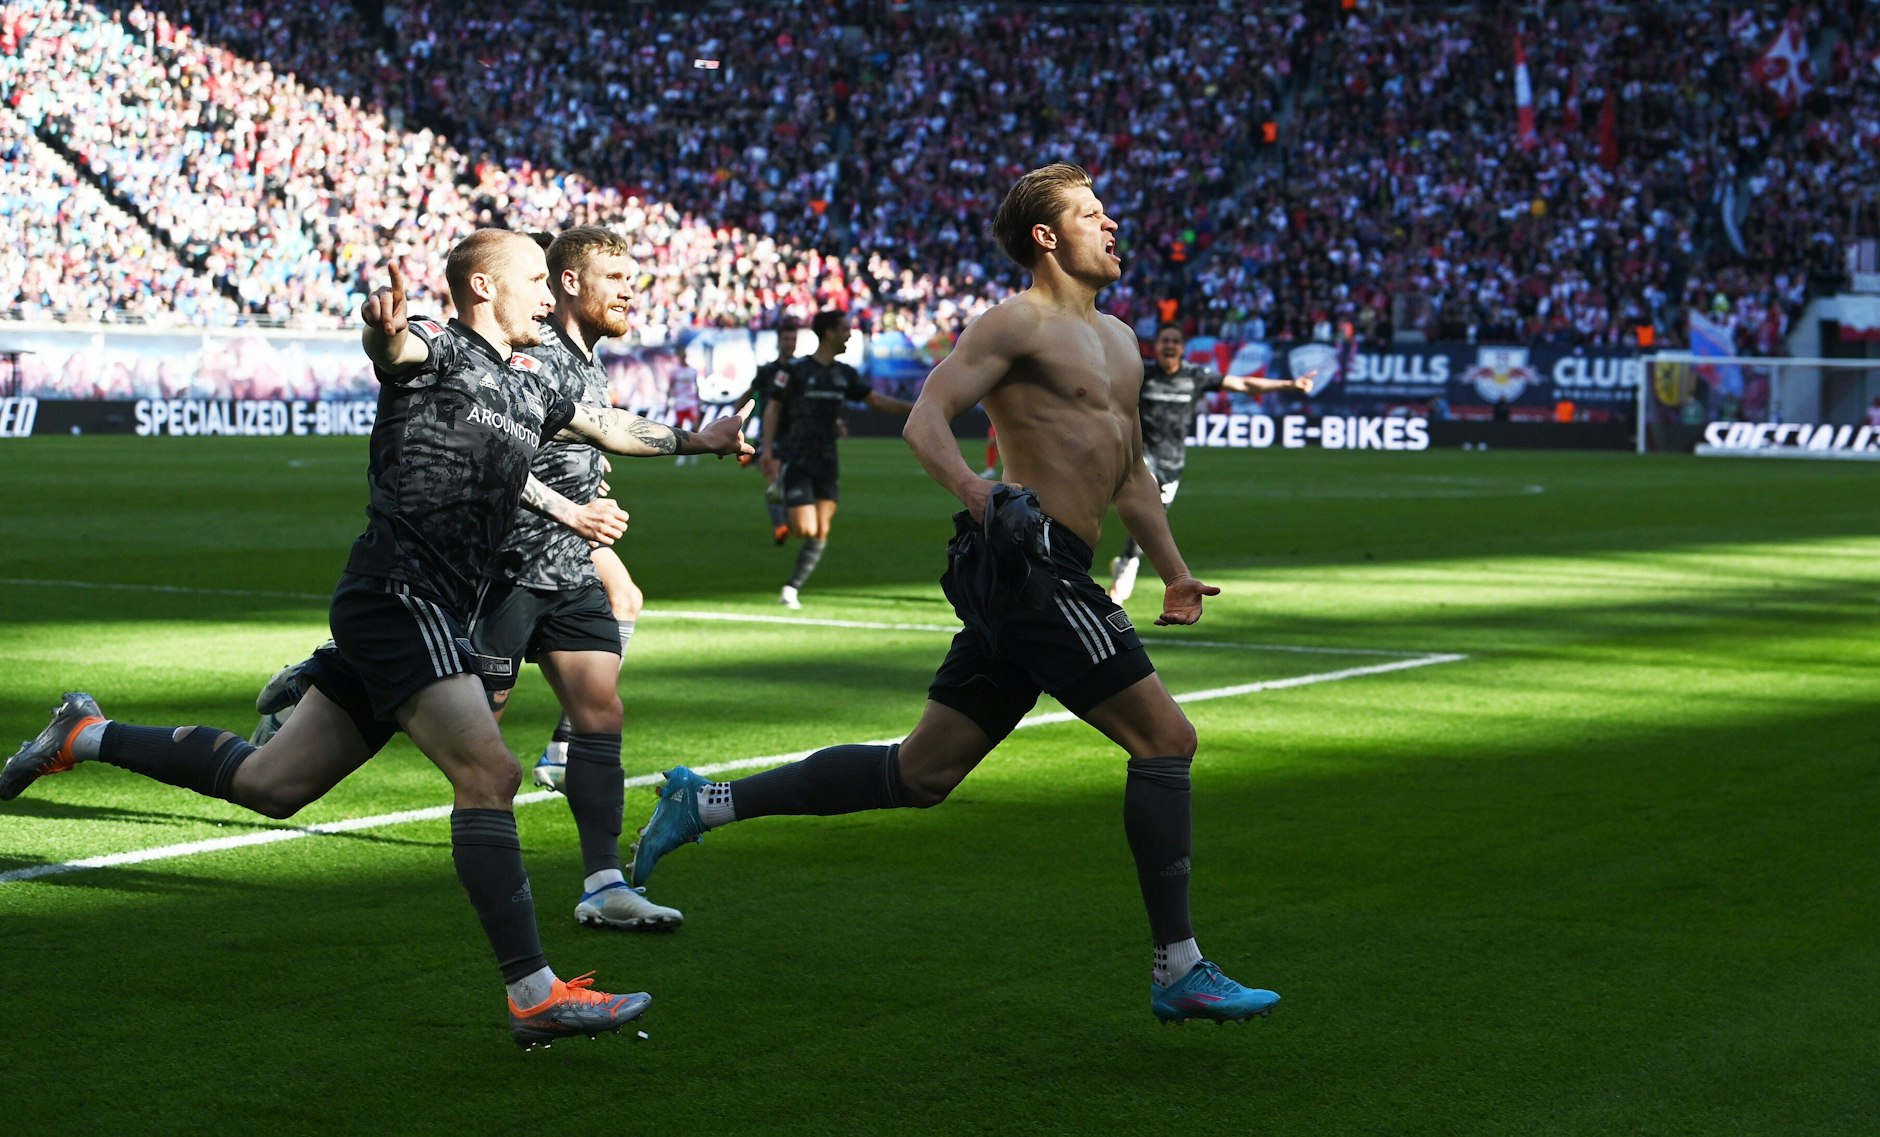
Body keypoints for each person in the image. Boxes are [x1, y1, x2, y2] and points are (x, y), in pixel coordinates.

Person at [1, 229, 751, 1047]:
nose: (547, 294)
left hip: (429, 608)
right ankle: (534, 991)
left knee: (270, 785)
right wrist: (382, 327)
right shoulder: (438, 344)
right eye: (535, 279)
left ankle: (85, 731)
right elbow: (394, 349)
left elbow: (607, 425)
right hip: (399, 596)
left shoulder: (528, 385)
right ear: (480, 291)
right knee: (491, 772)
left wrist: (701, 440)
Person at [629, 163, 1279, 1025]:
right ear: (1046, 237)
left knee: (923, 770)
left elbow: (1129, 472)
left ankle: (704, 800)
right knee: (1167, 738)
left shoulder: (1120, 339)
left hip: (1050, 567)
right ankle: (1178, 966)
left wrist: (1172, 567)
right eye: (1091, 212)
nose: (1112, 222)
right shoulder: (1017, 321)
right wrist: (979, 494)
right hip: (1023, 560)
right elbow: (924, 417)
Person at [1108, 322, 1313, 602]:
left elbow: (1242, 383)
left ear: (1181, 348)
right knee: (1147, 501)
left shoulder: (1195, 376)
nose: (1169, 345)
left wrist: (1289, 384)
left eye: (1174, 341)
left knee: (1152, 521)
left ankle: (1127, 560)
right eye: (1164, 340)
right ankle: (1125, 569)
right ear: (1156, 346)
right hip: (1143, 457)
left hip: (1174, 462)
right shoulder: (1142, 372)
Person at [759, 309, 914, 609]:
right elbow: (773, 408)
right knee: (805, 529)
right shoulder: (796, 371)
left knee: (822, 531)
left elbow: (877, 401)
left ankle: (791, 589)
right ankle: (779, 496)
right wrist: (767, 449)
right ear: (829, 332)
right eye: (845, 329)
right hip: (797, 458)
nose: (850, 334)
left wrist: (918, 407)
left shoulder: (844, 374)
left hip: (828, 462)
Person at [741, 322, 801, 545]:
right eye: (786, 339)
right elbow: (749, 393)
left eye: (792, 339)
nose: (789, 343)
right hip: (771, 433)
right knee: (773, 477)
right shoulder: (767, 371)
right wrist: (738, 422)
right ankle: (780, 526)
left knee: (792, 480)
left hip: (796, 434)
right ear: (779, 341)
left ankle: (787, 516)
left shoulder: (801, 369)